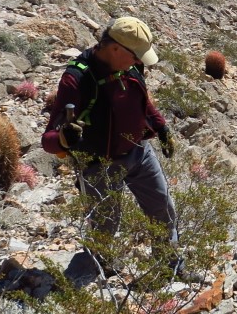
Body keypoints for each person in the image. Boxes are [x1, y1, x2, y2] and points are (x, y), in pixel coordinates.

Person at [41, 16, 178, 276]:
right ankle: (100, 271)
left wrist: (161, 128)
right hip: (99, 165)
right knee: (105, 223)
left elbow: (142, 100)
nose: (138, 62)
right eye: (135, 56)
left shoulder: (130, 67)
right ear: (115, 48)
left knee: (162, 207)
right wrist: (63, 139)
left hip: (139, 152)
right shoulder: (78, 79)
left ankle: (170, 265)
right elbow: (48, 139)